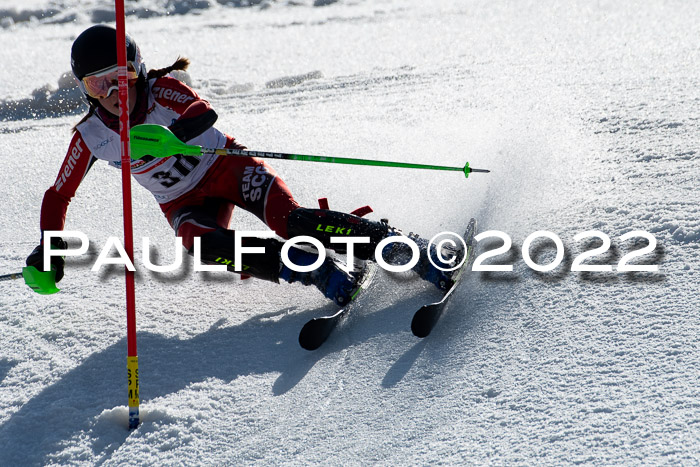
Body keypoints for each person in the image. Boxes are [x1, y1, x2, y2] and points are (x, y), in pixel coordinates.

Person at [26, 24, 461, 304]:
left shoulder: (162, 91)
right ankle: (316, 270)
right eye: (96, 84)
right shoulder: (91, 137)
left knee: (290, 221)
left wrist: (173, 139)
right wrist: (49, 245)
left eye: (119, 76)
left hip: (228, 169)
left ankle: (401, 247)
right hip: (181, 203)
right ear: (85, 90)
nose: (113, 92)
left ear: (138, 71)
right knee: (202, 245)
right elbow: (58, 193)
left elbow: (202, 112)